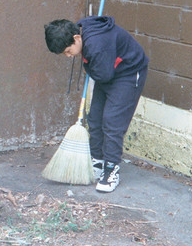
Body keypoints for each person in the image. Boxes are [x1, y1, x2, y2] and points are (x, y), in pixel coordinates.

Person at [44, 16, 149, 193]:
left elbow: (103, 75)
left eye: (68, 51)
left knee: (112, 121)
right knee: (95, 118)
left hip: (129, 72)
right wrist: (90, 65)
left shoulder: (97, 46)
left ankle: (111, 169)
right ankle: (98, 161)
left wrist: (89, 66)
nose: (69, 56)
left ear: (77, 38)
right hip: (109, 69)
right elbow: (102, 72)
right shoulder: (82, 31)